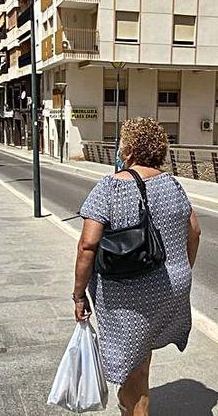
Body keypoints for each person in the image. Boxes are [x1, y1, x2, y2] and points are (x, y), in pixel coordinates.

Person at [73, 117, 203, 416]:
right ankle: (129, 405)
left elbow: (87, 246)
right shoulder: (173, 184)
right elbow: (194, 232)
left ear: (129, 149)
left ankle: (134, 408)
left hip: (127, 293)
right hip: (170, 286)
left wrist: (79, 295)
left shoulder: (109, 187)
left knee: (133, 372)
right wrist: (182, 269)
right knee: (140, 359)